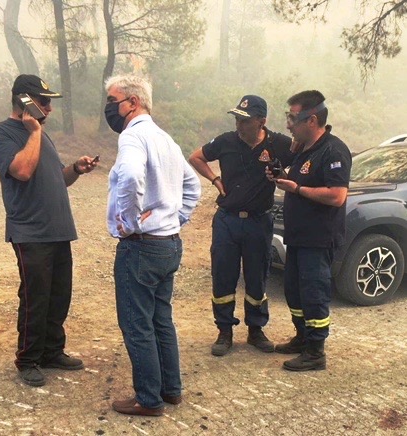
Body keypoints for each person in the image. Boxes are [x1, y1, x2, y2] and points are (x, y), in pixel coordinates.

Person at [0, 74, 98, 387]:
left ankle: (51, 351)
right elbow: (21, 171)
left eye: (50, 102)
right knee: (36, 297)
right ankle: (28, 359)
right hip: (30, 231)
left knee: (59, 295)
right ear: (24, 99)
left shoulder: (41, 136)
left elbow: (56, 179)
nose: (48, 108)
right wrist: (33, 130)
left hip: (59, 228)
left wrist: (75, 168)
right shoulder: (1, 134)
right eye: (43, 101)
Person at [105, 74, 201, 416]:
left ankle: (148, 398)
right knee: (161, 319)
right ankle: (171, 389)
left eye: (112, 100)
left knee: (137, 323)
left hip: (142, 247)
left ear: (132, 102)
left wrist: (129, 224)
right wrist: (176, 219)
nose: (109, 107)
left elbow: (130, 177)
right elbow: (194, 187)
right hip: (168, 244)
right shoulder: (165, 139)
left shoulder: (133, 137)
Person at [189, 95, 293, 356]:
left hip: (259, 221)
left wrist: (286, 178)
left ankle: (256, 330)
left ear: (262, 121)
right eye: (237, 118)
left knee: (257, 276)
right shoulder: (225, 141)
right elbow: (196, 157)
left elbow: (302, 163)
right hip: (227, 221)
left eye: (245, 120)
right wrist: (214, 179)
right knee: (223, 275)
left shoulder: (279, 144)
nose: (239, 124)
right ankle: (224, 331)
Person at [268, 90, 351, 371]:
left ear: (311, 119)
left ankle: (316, 352)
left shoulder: (333, 150)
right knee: (294, 291)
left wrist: (298, 188)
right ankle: (303, 337)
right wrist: (284, 177)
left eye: (293, 118)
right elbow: (301, 178)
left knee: (314, 294)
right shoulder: (305, 149)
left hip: (318, 238)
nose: (288, 124)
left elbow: (337, 196)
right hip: (298, 237)